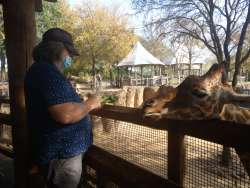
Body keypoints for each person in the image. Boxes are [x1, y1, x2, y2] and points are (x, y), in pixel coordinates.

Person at [24, 28, 104, 188]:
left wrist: (82, 106)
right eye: (70, 51)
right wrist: (90, 104)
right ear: (56, 48)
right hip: (60, 157)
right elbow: (65, 115)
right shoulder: (45, 71)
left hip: (63, 156)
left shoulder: (46, 71)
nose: (72, 56)